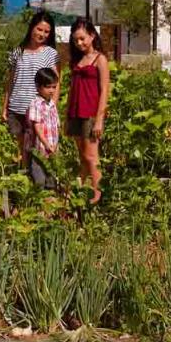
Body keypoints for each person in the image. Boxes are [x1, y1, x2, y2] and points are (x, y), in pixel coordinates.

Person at [3, 11, 60, 161]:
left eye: (47, 32)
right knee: (21, 147)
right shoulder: (17, 52)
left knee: (37, 147)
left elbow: (56, 82)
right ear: (32, 28)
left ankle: (37, 179)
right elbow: (10, 81)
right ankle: (24, 178)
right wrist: (5, 106)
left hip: (37, 109)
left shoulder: (50, 53)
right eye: (39, 29)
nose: (42, 34)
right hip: (16, 107)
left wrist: (53, 106)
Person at [66, 17, 111, 205]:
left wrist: (99, 119)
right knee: (82, 156)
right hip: (75, 112)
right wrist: (66, 115)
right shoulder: (77, 60)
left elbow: (104, 91)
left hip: (91, 114)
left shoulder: (100, 59)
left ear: (92, 35)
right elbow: (72, 88)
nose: (79, 43)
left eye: (82, 38)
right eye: (76, 40)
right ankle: (82, 192)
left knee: (92, 156)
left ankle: (98, 196)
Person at [25, 67, 60, 190]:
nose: (51, 90)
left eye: (54, 87)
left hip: (53, 147)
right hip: (40, 147)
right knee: (39, 170)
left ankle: (51, 193)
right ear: (38, 87)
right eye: (48, 87)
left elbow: (56, 125)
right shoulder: (36, 103)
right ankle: (39, 195)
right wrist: (46, 143)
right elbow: (37, 126)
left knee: (51, 171)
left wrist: (55, 144)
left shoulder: (51, 104)